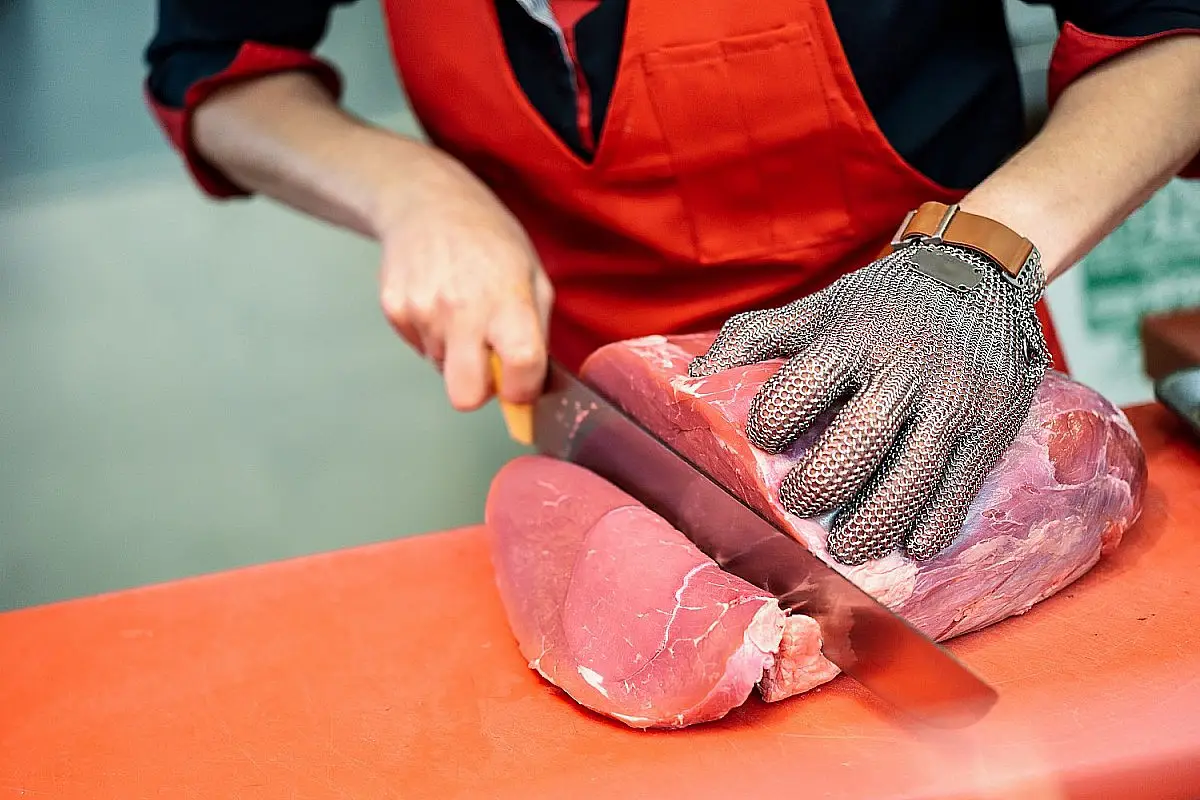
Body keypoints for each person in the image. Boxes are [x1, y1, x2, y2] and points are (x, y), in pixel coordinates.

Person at [142, 2, 1200, 564]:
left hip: (940, 399)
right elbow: (218, 69)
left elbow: (1172, 34)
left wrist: (976, 259)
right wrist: (413, 192)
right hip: (614, 435)